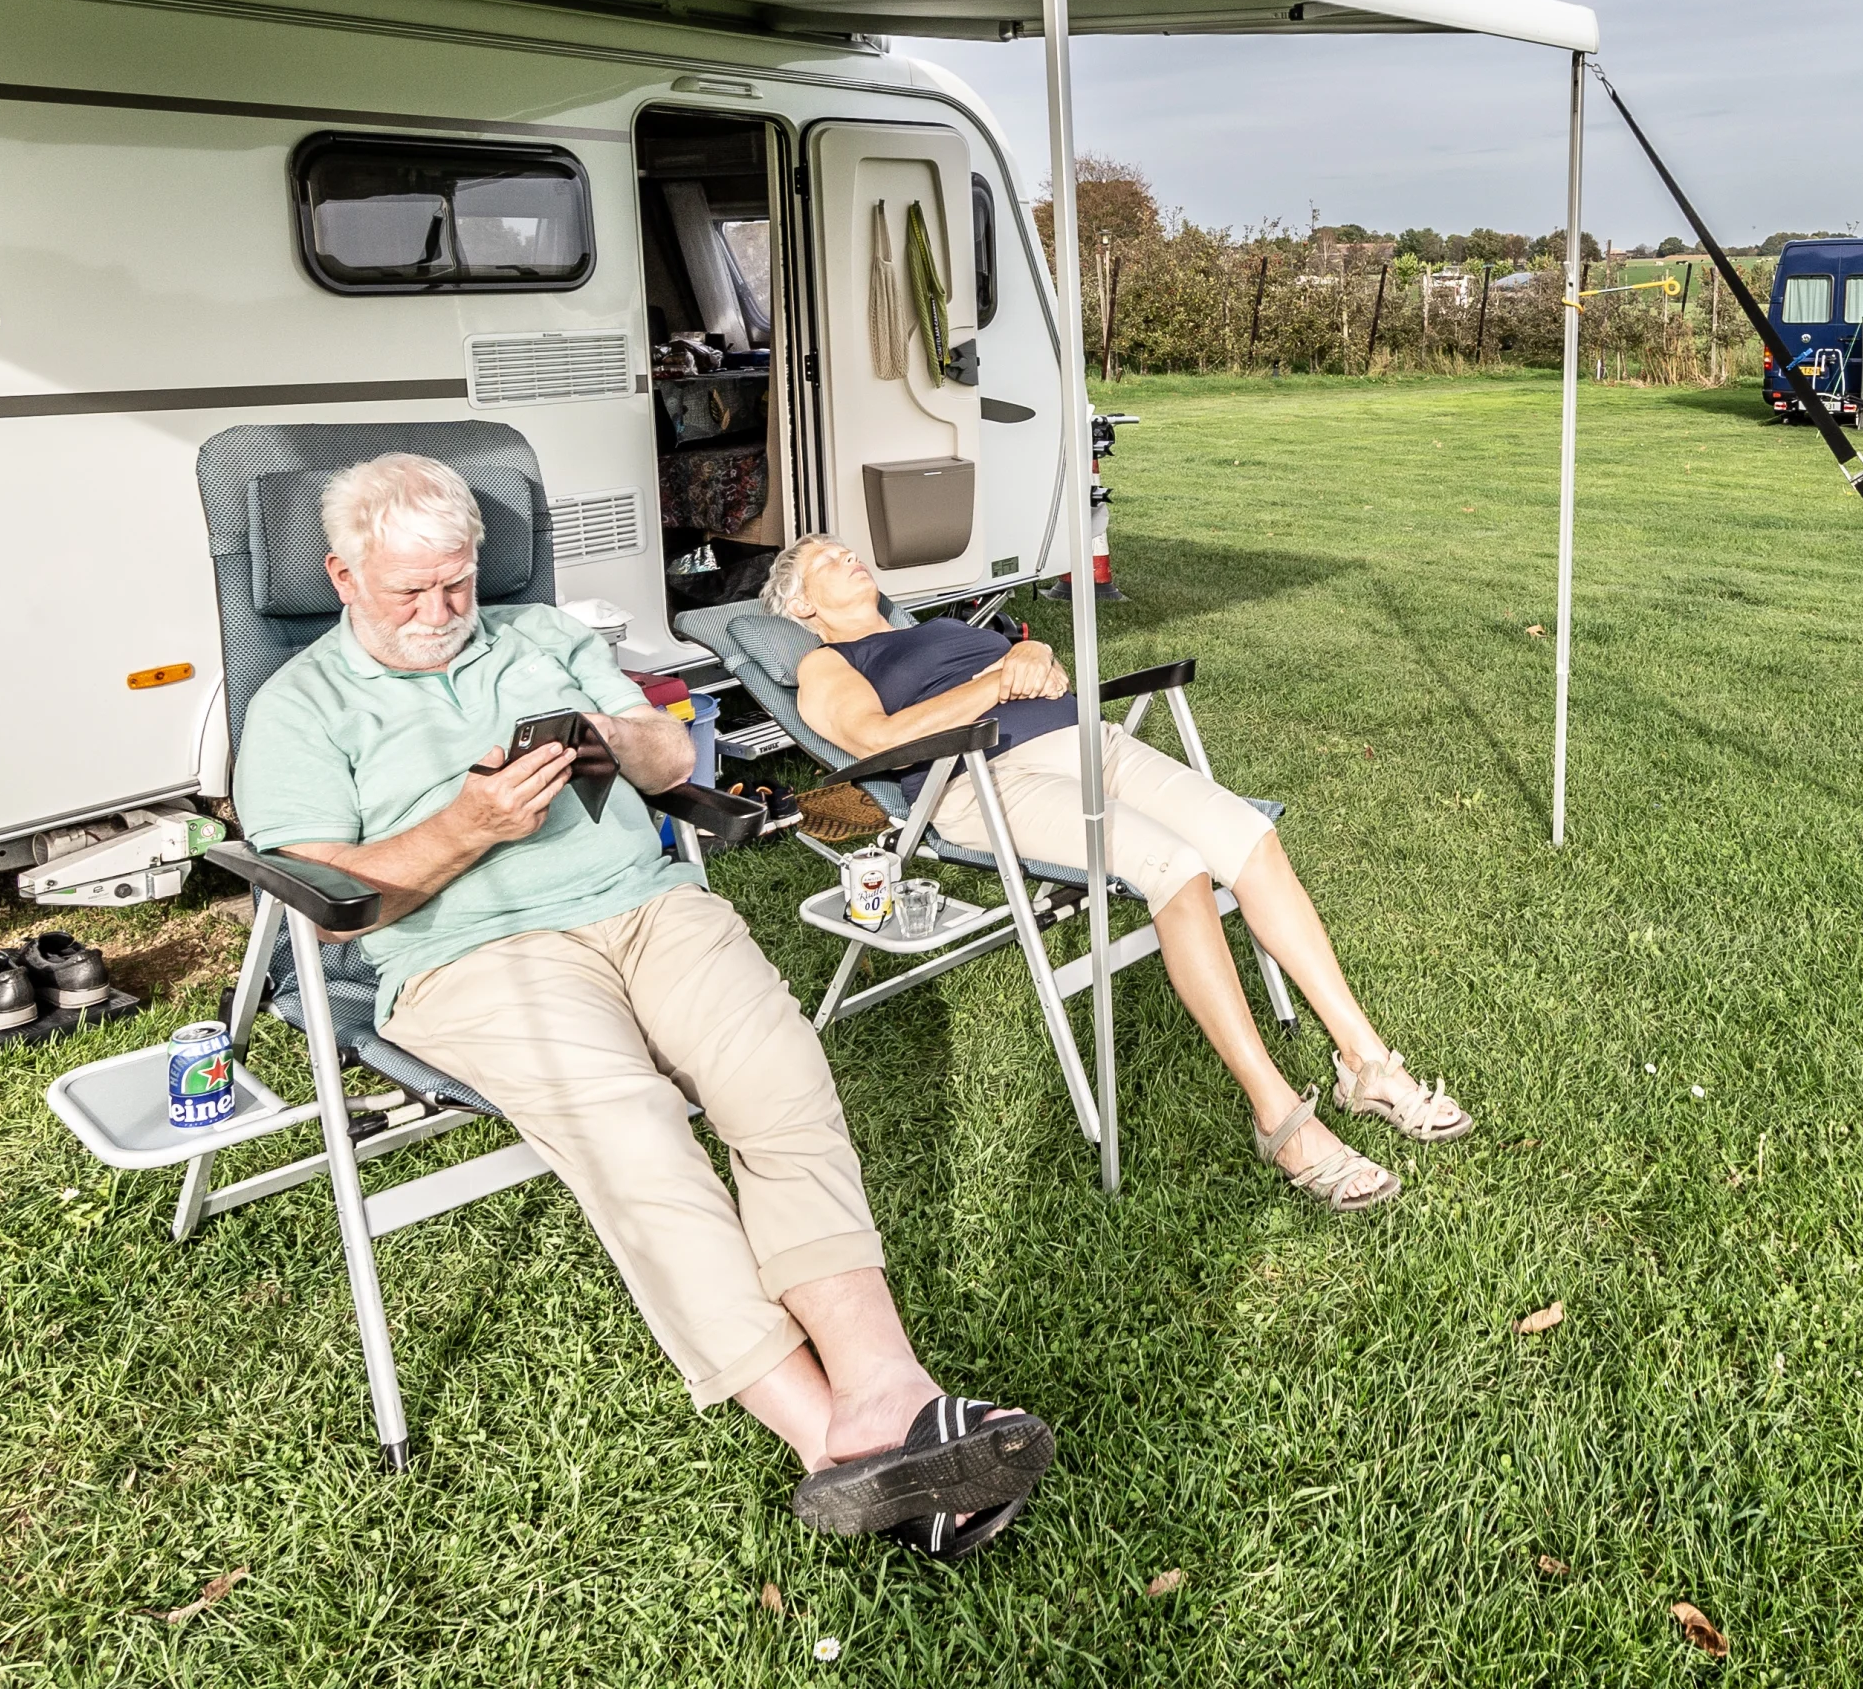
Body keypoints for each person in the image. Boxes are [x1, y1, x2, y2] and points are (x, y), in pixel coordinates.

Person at [236, 454, 1051, 1559]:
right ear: (339, 573)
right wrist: (469, 829)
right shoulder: (300, 705)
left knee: (778, 1075)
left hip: (647, 907)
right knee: (636, 1130)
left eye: (458, 584)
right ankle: (837, 1446)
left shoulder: (543, 637)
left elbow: (674, 759)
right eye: (408, 592)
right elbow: (331, 900)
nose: (440, 613)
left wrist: (615, 739)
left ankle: (888, 1387)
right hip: (469, 953)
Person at [765, 533, 1471, 1210]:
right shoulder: (828, 664)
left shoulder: (942, 626)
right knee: (1175, 864)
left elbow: (1027, 652)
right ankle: (1279, 1116)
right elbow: (879, 738)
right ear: (802, 606)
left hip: (1091, 742)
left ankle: (1367, 1063)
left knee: (1250, 837)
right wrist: (997, 682)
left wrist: (1030, 651)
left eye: (848, 548)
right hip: (984, 779)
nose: (849, 555)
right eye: (827, 557)